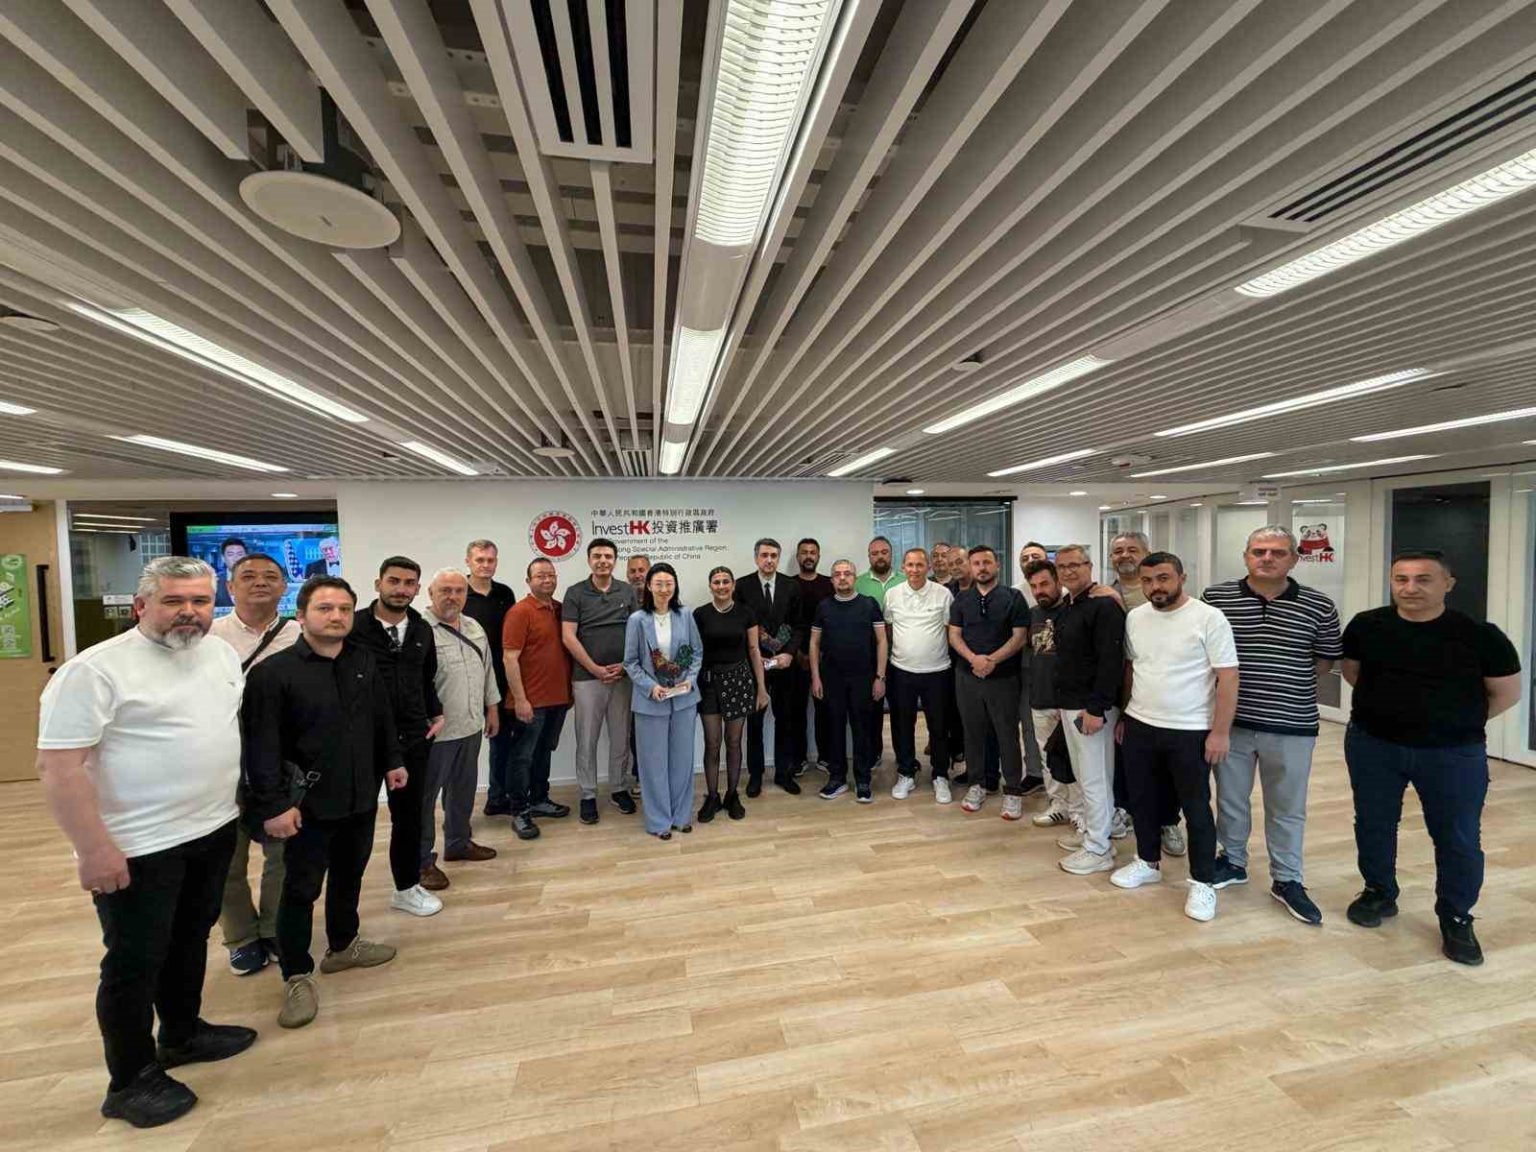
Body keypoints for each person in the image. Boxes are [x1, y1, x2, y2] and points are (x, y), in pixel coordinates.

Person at [38, 556, 255, 1128]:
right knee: (135, 961)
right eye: (173, 601)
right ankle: (130, 1079)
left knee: (189, 941)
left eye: (200, 601)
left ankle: (181, 1034)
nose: (189, 612)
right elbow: (58, 769)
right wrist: (94, 849)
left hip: (211, 828)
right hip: (136, 844)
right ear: (141, 606)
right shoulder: (94, 671)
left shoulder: (219, 655)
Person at [1341, 551, 1521, 965]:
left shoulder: (1479, 635)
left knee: (1458, 835)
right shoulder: (1368, 626)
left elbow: (1507, 693)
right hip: (1374, 745)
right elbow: (1354, 673)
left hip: (1452, 753)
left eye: (1423, 579)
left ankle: (1456, 915)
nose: (1410, 588)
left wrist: (1455, 721)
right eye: (1401, 579)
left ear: (1448, 584)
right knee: (1373, 822)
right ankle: (1379, 892)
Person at [243, 575, 405, 1030]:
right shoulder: (273, 674)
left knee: (351, 874)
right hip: (305, 806)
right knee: (300, 890)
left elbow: (380, 717)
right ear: (301, 615)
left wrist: (392, 761)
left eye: (344, 609)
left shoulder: (362, 661)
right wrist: (274, 806)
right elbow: (260, 748)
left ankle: (343, 945)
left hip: (360, 794)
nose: (336, 617)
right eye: (325, 608)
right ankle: (296, 974)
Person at [1202, 527, 1342, 925]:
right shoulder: (1216, 599)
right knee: (1230, 799)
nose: (1267, 558)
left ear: (1294, 559)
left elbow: (1324, 662)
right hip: (1232, 723)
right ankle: (1232, 861)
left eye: (1277, 552)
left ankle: (1287, 878)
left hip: (1291, 724)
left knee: (1287, 807)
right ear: (1246, 556)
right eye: (1259, 551)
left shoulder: (1319, 605)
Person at [1112, 552, 1239, 924]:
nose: (1156, 586)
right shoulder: (1136, 617)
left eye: (1163, 578)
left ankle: (1202, 881)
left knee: (1196, 807)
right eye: (1148, 580)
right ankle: (1147, 861)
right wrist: (1124, 714)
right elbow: (1132, 669)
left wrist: (1220, 732)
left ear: (1182, 577)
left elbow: (1228, 677)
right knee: (1142, 800)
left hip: (1191, 729)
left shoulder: (1209, 618)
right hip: (1140, 724)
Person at [210, 554, 300, 976]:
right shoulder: (209, 637)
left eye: (270, 577)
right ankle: (241, 937)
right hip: (220, 757)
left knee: (284, 852)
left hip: (283, 757)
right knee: (227, 857)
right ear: (230, 588)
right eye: (247, 576)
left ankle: (275, 928)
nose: (259, 583)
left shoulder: (299, 635)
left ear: (284, 587)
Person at [349, 557, 445, 919]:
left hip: (412, 739)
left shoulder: (422, 630)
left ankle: (406, 888)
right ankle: (346, 904)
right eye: (394, 581)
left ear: (417, 589)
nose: (401, 589)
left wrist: (436, 712)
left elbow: (426, 678)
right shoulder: (354, 627)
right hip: (363, 741)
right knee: (358, 823)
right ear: (378, 584)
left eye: (408, 583)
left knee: (409, 818)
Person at [419, 568, 500, 890]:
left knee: (463, 790)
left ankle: (458, 842)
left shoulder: (474, 627)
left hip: (470, 724)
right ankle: (422, 862)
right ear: (431, 593)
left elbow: (487, 670)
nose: (452, 597)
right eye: (445, 590)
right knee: (424, 799)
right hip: (435, 733)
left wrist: (492, 707)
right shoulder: (419, 630)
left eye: (459, 591)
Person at [1050, 544, 1126, 874]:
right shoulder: (1070, 606)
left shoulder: (1104, 606)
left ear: (1089, 566)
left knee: (1095, 779)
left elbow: (1110, 662)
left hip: (1091, 709)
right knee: (1085, 777)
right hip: (1070, 704)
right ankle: (1098, 833)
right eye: (1062, 567)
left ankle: (1099, 849)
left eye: (1075, 565)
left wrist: (1096, 709)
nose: (1068, 571)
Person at [947, 545, 1030, 819]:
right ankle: (977, 785)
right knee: (972, 733)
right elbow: (954, 635)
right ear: (971, 568)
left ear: (997, 565)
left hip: (1004, 678)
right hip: (967, 676)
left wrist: (992, 660)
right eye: (976, 563)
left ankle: (1013, 791)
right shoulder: (961, 600)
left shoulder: (1013, 598)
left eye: (986, 562)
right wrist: (974, 659)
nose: (981, 568)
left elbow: (1019, 637)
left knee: (1007, 734)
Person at [562, 538, 639, 824]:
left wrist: (626, 665)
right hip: (587, 678)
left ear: (615, 560)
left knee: (621, 736)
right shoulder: (575, 593)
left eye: (608, 556)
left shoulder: (627, 591)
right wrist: (594, 668)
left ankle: (618, 788)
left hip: (622, 677)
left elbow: (637, 632)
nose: (603, 560)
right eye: (597, 556)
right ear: (589, 560)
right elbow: (568, 636)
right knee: (587, 739)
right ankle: (587, 794)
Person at [624, 563, 702, 839]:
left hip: (683, 699)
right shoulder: (637, 620)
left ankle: (681, 816)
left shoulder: (685, 615)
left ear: (675, 586)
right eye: (658, 583)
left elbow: (696, 653)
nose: (664, 589)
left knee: (682, 761)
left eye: (669, 583)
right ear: (649, 586)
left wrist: (690, 679)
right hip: (650, 702)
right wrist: (651, 687)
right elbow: (631, 662)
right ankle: (659, 821)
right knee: (653, 763)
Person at [502, 558, 573, 840]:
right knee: (522, 757)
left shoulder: (560, 610)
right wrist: (520, 699)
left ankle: (539, 799)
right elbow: (510, 658)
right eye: (540, 575)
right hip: (530, 702)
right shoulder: (520, 612)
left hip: (557, 699)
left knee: (544, 752)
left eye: (551, 575)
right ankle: (519, 811)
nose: (547, 580)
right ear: (528, 580)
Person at [694, 567, 769, 822]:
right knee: (712, 743)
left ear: (733, 585)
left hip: (738, 680)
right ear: (710, 586)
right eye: (716, 582)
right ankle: (712, 796)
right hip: (709, 683)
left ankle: (732, 794)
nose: (721, 586)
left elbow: (754, 650)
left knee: (734, 742)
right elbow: (695, 651)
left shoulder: (746, 613)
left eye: (726, 581)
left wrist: (761, 688)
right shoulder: (700, 614)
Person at [811, 560, 888, 803]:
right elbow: (814, 643)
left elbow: (882, 641)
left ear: (855, 577)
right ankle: (837, 779)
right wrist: (815, 677)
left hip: (863, 679)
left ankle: (863, 780)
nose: (842, 578)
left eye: (847, 573)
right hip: (831, 678)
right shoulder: (824, 607)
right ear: (832, 579)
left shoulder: (869, 604)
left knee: (862, 729)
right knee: (834, 729)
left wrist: (880, 677)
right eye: (837, 574)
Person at [733, 538, 804, 795]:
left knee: (786, 720)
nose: (769, 560)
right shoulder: (742, 586)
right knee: (755, 723)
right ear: (756, 558)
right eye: (764, 555)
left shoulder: (791, 586)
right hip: (755, 666)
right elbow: (738, 626)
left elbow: (799, 626)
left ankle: (784, 773)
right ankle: (755, 776)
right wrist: (754, 657)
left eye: (774, 555)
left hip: (784, 665)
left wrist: (789, 654)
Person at [884, 546, 953, 803]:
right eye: (910, 565)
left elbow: (949, 630)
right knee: (903, 725)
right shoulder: (892, 595)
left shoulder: (943, 594)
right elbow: (889, 630)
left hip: (937, 671)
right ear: (903, 567)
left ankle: (940, 775)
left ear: (928, 567)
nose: (914, 570)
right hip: (902, 671)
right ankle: (906, 772)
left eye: (919, 565)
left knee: (939, 726)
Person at [1021, 559, 1081, 831]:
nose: (1039, 590)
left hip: (1070, 701)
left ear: (1058, 581)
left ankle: (1080, 811)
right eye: (1034, 586)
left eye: (1044, 584)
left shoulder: (1075, 610)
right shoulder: (1033, 614)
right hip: (1041, 697)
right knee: (1049, 758)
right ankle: (1059, 805)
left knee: (1076, 760)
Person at [461, 539, 517, 816]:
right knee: (464, 748)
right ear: (468, 561)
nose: (485, 565)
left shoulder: (505, 593)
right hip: (466, 680)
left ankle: (497, 798)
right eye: (479, 560)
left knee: (502, 742)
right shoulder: (458, 592)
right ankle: (459, 814)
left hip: (501, 678)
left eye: (490, 560)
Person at [789, 537, 836, 774]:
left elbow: (835, 621)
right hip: (795, 657)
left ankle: (825, 757)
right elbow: (786, 622)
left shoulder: (830, 584)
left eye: (812, 552)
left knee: (825, 710)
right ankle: (798, 758)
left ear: (818, 556)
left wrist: (819, 655)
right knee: (795, 710)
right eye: (804, 552)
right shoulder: (788, 584)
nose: (808, 556)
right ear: (798, 557)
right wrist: (797, 653)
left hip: (825, 658)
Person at [1108, 531, 1151, 609]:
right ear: (1111, 557)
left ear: (1147, 555)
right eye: (1118, 552)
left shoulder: (1161, 590)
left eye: (1132, 551)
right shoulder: (1106, 594)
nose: (1125, 555)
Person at [214, 536, 246, 607]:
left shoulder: (256, 580)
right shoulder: (214, 581)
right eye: (230, 555)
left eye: (240, 554)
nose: (235, 559)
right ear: (223, 558)